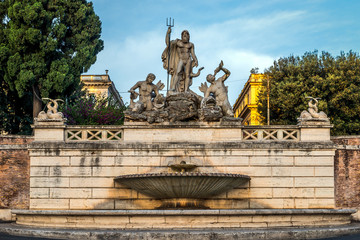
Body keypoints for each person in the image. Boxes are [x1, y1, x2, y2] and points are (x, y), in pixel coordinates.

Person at [162, 27, 198, 92]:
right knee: (177, 72)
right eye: (184, 34)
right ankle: (173, 87)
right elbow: (168, 43)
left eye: (186, 34)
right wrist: (168, 33)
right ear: (181, 36)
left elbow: (193, 54)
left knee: (187, 75)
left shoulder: (191, 44)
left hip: (188, 60)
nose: (185, 35)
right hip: (181, 59)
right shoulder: (178, 42)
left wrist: (196, 60)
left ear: (188, 36)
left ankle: (186, 90)